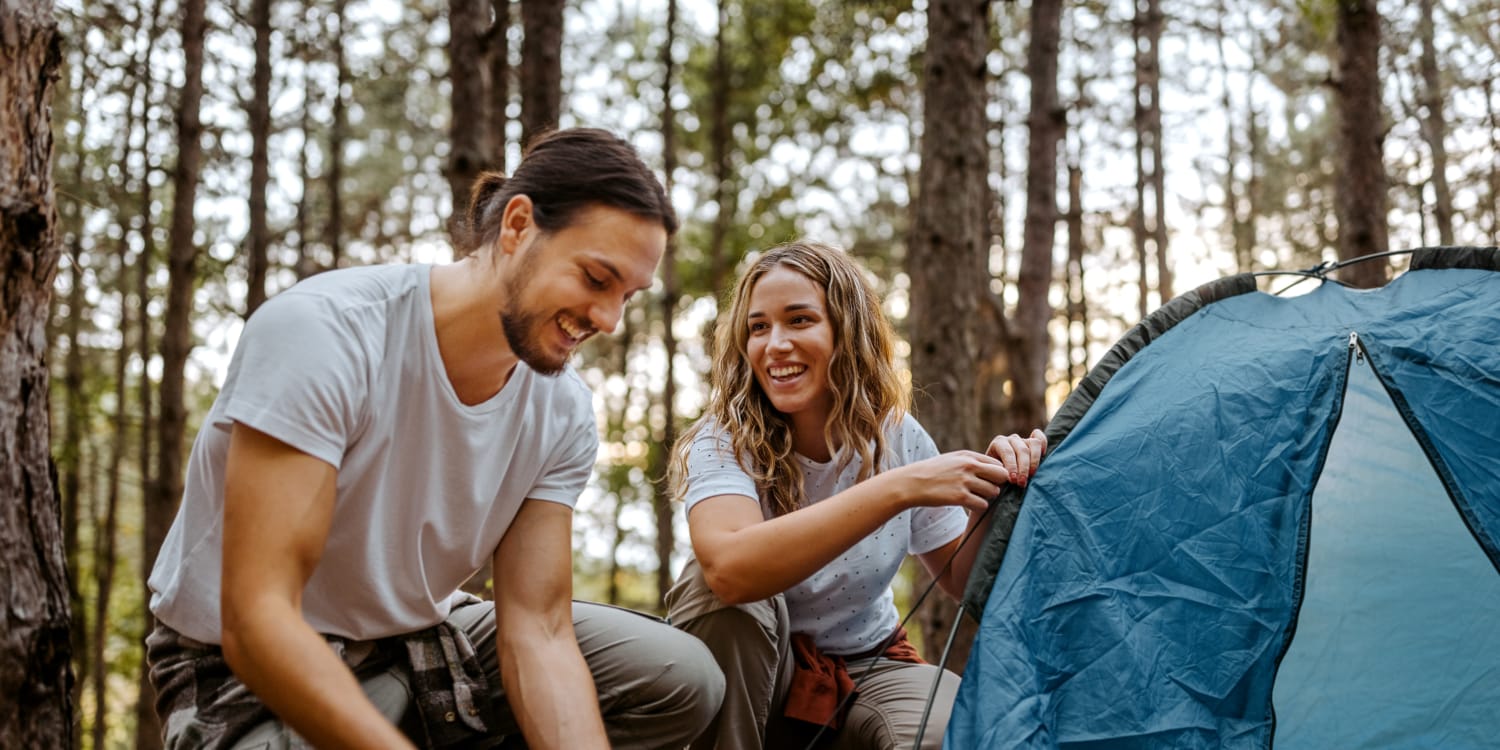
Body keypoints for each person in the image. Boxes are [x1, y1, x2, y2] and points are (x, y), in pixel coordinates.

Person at [145, 128, 724, 750]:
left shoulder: (563, 410)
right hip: (241, 671)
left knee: (681, 678)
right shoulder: (324, 335)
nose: (608, 320)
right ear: (517, 226)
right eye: (594, 279)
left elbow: (539, 631)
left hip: (422, 639)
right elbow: (258, 622)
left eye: (627, 296)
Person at [665, 241, 1046, 750]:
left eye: (799, 320)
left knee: (952, 731)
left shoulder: (897, 436)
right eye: (759, 327)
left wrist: (1000, 494)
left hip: (870, 665)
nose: (774, 344)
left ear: (847, 331)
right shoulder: (723, 439)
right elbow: (730, 571)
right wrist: (899, 489)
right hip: (755, 673)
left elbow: (961, 580)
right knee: (716, 590)